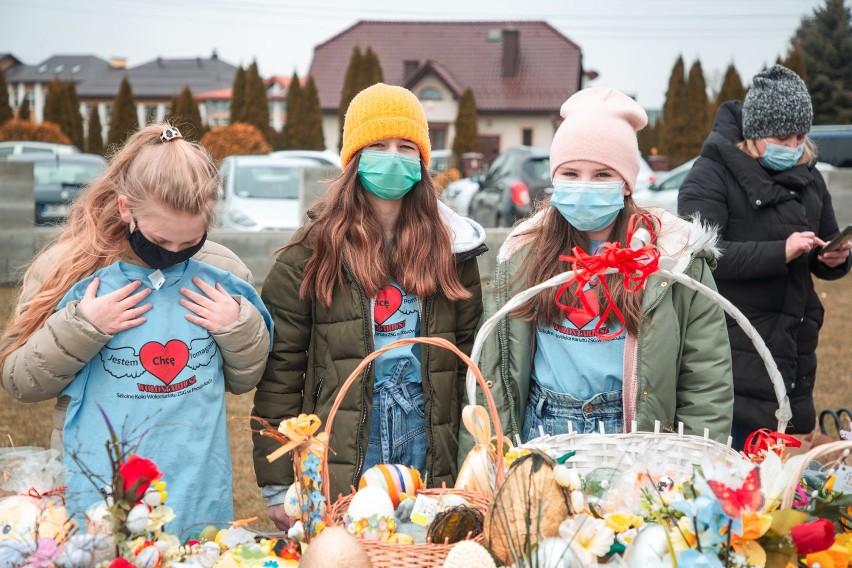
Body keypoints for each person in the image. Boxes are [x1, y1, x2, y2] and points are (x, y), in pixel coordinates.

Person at [0, 124, 272, 535]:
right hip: (97, 488)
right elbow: (19, 380)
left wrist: (237, 325)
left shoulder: (223, 272)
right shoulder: (71, 268)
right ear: (127, 209)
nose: (172, 254)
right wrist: (83, 326)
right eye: (161, 239)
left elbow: (245, 378)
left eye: (190, 243)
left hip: (194, 485)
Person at [251, 83, 487, 530]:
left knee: (424, 545)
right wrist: (279, 483)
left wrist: (472, 453)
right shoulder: (311, 253)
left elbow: (469, 361)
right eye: (378, 146)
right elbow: (281, 369)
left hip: (428, 426)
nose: (393, 157)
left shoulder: (453, 249)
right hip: (346, 430)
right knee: (348, 545)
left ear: (422, 160)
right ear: (353, 159)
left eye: (405, 147)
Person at [461, 87, 733, 458]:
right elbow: (493, 370)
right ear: (555, 180)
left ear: (625, 183)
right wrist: (484, 460)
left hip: (632, 432)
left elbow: (706, 381)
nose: (584, 185)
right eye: (571, 173)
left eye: (603, 174)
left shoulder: (672, 259)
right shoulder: (524, 253)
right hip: (543, 430)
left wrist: (698, 464)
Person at [678, 65, 851, 449]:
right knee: (739, 461)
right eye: (780, 137)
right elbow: (702, 255)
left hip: (793, 342)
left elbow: (822, 243)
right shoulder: (709, 175)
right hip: (734, 343)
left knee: (782, 469)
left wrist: (833, 259)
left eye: (800, 136)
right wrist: (781, 251)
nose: (791, 147)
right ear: (753, 134)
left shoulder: (810, 174)